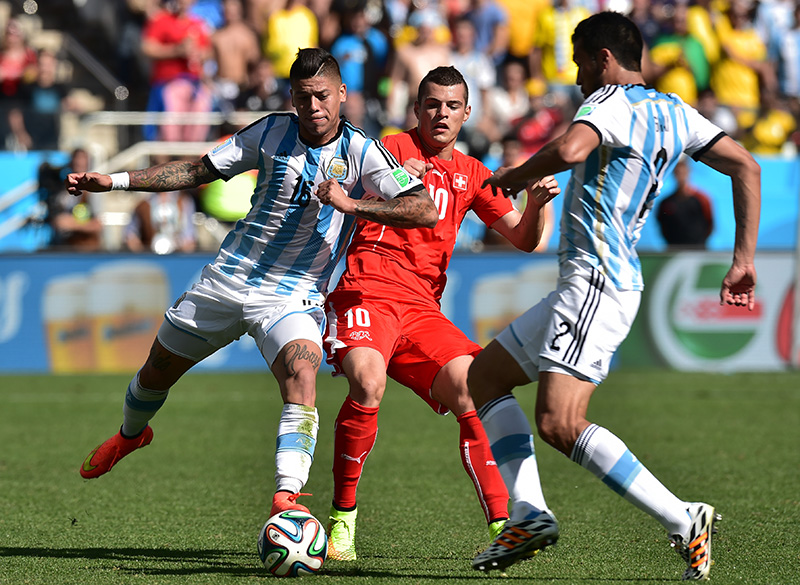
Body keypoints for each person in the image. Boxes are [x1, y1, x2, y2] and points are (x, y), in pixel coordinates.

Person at [67, 49, 437, 523]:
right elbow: (198, 170)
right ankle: (130, 434)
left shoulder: (363, 152)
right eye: (303, 98)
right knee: (156, 372)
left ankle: (287, 499)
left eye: (323, 96)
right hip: (228, 279)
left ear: (342, 95)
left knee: (302, 378)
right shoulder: (270, 131)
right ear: (292, 98)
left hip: (293, 295)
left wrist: (352, 205)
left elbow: (422, 209)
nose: (313, 107)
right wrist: (115, 182)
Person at [468, 12, 760, 581]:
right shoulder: (676, 112)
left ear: (603, 58)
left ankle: (683, 517)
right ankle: (528, 511)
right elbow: (746, 165)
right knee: (484, 376)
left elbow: (574, 149)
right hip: (594, 281)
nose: (578, 79)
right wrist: (743, 260)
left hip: (598, 279)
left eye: (580, 64)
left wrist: (520, 175)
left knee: (559, 422)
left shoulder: (608, 102)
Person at [323, 65, 560, 561]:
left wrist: (538, 202)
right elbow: (351, 193)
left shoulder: (473, 174)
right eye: (432, 104)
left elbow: (525, 240)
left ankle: (504, 523)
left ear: (467, 113)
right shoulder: (390, 147)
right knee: (367, 382)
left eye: (452, 106)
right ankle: (342, 519)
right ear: (417, 109)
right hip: (367, 288)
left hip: (421, 307)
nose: (441, 114)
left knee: (477, 390)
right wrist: (390, 183)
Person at [656, 157, 714, 249]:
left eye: (682, 170)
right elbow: (662, 226)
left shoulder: (701, 199)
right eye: (677, 171)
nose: (680, 175)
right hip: (673, 251)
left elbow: (710, 224)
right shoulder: (666, 203)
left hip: (698, 250)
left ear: (688, 171)